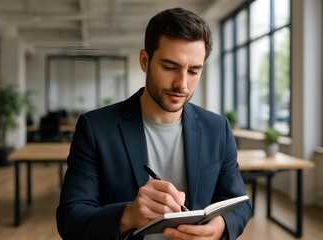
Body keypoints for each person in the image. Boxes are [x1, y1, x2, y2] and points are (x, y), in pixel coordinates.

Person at [56, 7, 252, 240]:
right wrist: (128, 215)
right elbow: (70, 219)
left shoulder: (218, 128)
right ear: (144, 60)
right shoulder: (95, 128)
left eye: (193, 71)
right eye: (170, 67)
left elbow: (241, 204)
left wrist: (220, 227)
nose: (182, 84)